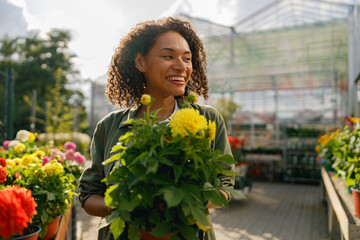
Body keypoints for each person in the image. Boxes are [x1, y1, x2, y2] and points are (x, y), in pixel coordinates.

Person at [79, 17, 235, 240]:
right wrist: (125, 205)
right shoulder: (109, 126)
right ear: (141, 63)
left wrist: (184, 205)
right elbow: (88, 195)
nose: (181, 66)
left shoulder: (208, 120)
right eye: (168, 56)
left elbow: (225, 185)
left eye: (187, 58)